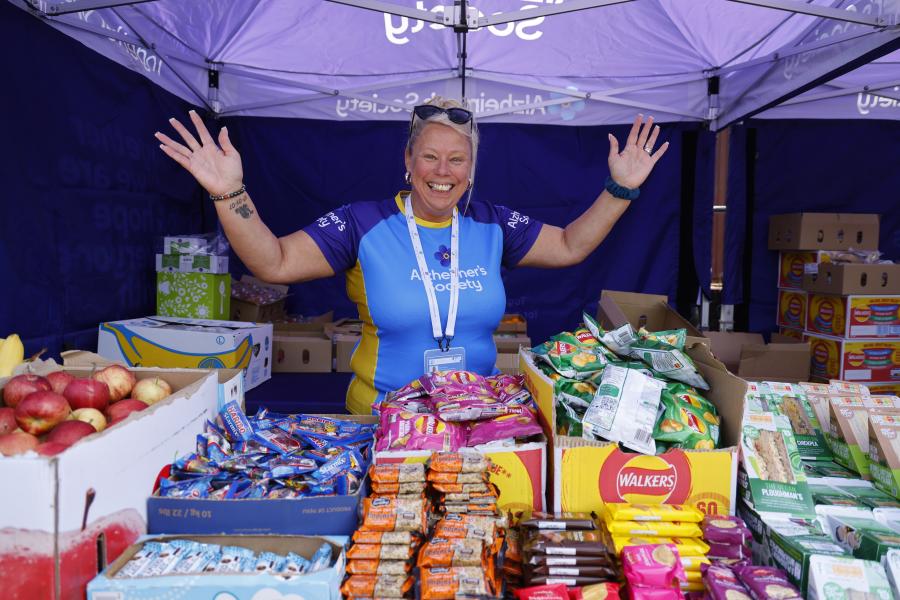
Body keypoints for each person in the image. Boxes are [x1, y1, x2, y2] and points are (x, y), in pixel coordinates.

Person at [155, 97, 669, 415]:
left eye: (457, 159)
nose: (442, 170)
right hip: (382, 422)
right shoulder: (363, 223)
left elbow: (570, 245)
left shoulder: (490, 223)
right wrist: (229, 194)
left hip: (474, 423)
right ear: (407, 160)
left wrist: (619, 189)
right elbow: (274, 263)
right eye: (429, 155)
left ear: (471, 168)